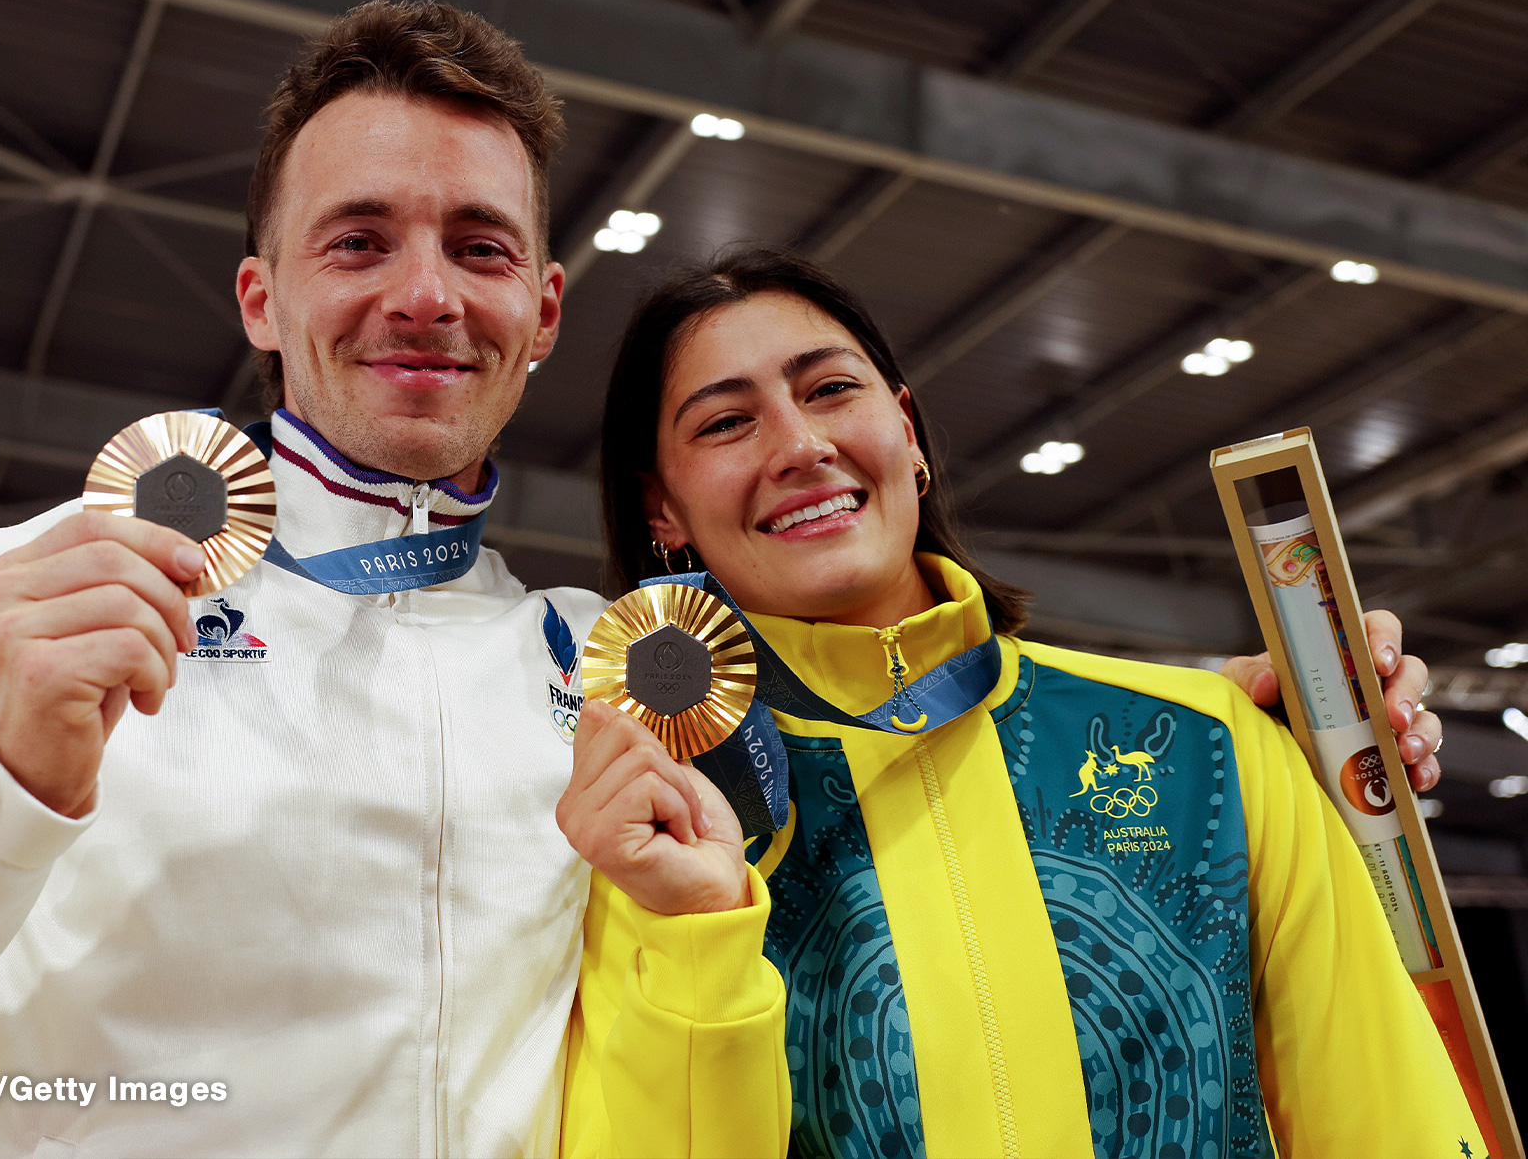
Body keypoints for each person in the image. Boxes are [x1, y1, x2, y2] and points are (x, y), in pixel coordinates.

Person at [0, 0, 784, 1159]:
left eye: (479, 247)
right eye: (357, 241)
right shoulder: (46, 587)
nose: (426, 294)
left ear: (539, 312)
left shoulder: (587, 666)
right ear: (261, 299)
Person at [566, 245, 1476, 1159]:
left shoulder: (1208, 743)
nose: (801, 446)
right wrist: (699, 935)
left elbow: (1385, 1117)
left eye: (833, 389)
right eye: (726, 423)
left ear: (908, 430)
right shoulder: (662, 828)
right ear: (663, 510)